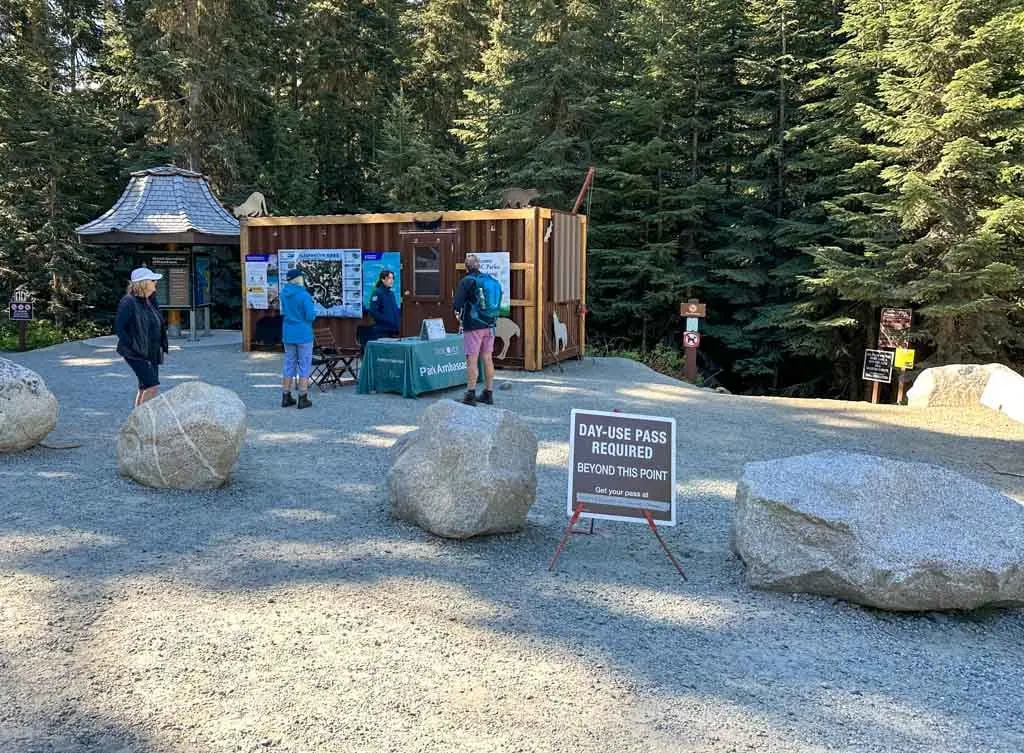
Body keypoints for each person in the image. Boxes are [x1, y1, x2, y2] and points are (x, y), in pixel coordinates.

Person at [115, 267, 169, 408]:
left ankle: (136, 419)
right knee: (152, 386)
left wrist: (162, 345)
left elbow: (158, 323)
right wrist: (134, 346)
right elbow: (119, 328)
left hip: (152, 351)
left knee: (144, 387)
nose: (155, 283)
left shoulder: (150, 300)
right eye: (152, 280)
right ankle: (142, 421)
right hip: (136, 353)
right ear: (143, 283)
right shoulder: (128, 302)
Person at [453, 253, 496, 406]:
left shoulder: (466, 281)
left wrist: (457, 313)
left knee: (472, 359)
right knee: (488, 358)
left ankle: (470, 394)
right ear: (479, 265)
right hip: (490, 325)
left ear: (466, 267)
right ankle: (488, 393)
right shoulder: (489, 279)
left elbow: (457, 303)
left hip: (473, 326)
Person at [280, 267, 317, 409]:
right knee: (304, 364)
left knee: (289, 364)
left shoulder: (283, 293)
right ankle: (302, 397)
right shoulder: (304, 295)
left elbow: (284, 311)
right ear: (299, 279)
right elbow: (310, 316)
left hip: (288, 333)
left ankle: (286, 396)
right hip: (303, 334)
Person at [366, 269, 401, 340]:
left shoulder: (391, 294)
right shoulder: (377, 293)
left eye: (392, 278)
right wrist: (386, 320)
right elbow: (373, 312)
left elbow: (394, 310)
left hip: (393, 330)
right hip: (382, 331)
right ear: (383, 279)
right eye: (389, 278)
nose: (391, 280)